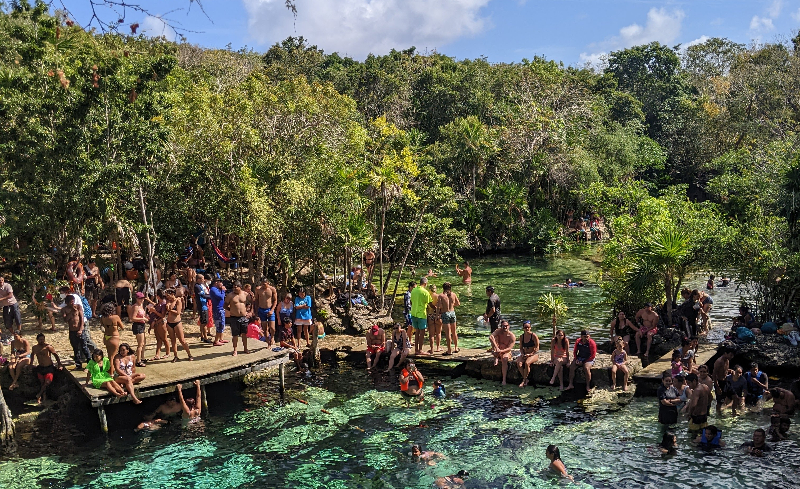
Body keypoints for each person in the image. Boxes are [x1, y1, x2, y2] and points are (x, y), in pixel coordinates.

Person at [30, 333, 64, 404]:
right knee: (42, 383)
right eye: (40, 339)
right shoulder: (35, 348)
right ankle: (44, 398)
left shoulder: (48, 347)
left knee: (47, 382)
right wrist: (31, 364)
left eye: (43, 339)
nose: (42, 341)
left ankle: (39, 394)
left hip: (48, 367)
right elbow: (32, 355)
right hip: (40, 367)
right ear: (37, 340)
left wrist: (59, 364)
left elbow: (56, 355)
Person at [63, 294, 91, 370]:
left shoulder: (78, 307)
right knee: (75, 348)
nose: (72, 303)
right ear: (67, 302)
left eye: (73, 301)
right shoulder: (65, 309)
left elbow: (81, 318)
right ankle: (78, 364)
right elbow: (65, 320)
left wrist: (81, 329)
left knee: (84, 347)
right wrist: (71, 312)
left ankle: (90, 363)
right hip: (72, 331)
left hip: (79, 330)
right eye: (71, 302)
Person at [165, 289, 193, 362]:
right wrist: (169, 307)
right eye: (166, 296)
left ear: (172, 294)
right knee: (173, 340)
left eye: (168, 295)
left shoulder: (178, 301)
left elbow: (178, 312)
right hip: (169, 322)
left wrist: (170, 309)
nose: (167, 297)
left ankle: (189, 354)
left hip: (177, 322)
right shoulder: (168, 301)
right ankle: (175, 356)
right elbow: (168, 308)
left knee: (182, 340)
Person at [225, 281, 251, 356]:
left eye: (236, 287)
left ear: (240, 287)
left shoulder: (245, 294)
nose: (235, 288)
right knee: (235, 335)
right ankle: (235, 350)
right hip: (234, 317)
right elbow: (225, 305)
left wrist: (250, 312)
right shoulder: (230, 295)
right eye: (234, 287)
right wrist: (231, 310)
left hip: (243, 317)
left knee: (244, 334)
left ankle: (245, 348)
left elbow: (253, 302)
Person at [410, 278, 433, 355]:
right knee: (422, 333)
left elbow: (411, 302)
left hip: (413, 313)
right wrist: (437, 309)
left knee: (417, 332)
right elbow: (430, 304)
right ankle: (420, 350)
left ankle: (416, 349)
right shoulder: (425, 292)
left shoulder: (414, 290)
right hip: (421, 314)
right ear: (425, 283)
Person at [489, 320, 516, 385]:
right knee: (494, 338)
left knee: (504, 359)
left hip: (505, 351)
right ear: (501, 326)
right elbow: (491, 337)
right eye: (503, 326)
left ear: (509, 326)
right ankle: (496, 357)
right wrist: (496, 348)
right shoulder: (498, 331)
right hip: (497, 349)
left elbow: (509, 348)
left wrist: (500, 351)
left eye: (506, 326)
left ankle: (504, 380)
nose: (505, 327)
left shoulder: (512, 336)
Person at [254, 277, 277, 346]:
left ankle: (272, 337)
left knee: (272, 328)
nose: (263, 285)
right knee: (264, 328)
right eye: (262, 284)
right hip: (261, 310)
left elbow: (275, 300)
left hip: (270, 309)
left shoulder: (272, 289)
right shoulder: (258, 289)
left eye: (264, 284)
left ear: (268, 283)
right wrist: (256, 311)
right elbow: (256, 300)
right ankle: (268, 342)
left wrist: (272, 310)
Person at [516, 320, 539, 388]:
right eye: (525, 327)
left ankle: (524, 380)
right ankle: (526, 379)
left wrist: (531, 354)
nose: (527, 329)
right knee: (519, 363)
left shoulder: (533, 336)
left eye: (528, 327)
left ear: (530, 327)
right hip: (525, 353)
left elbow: (537, 347)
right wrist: (522, 353)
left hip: (533, 354)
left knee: (527, 363)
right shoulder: (522, 337)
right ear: (523, 328)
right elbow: (521, 347)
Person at [439, 282, 461, 355]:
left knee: (448, 333)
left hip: (445, 313)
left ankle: (449, 350)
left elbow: (439, 306)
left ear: (443, 288)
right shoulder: (453, 294)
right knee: (454, 332)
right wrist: (452, 304)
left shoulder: (441, 296)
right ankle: (456, 347)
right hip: (452, 313)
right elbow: (458, 304)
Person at [147, 290, 169, 360]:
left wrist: (154, 311)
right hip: (156, 323)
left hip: (161, 322)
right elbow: (155, 305)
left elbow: (162, 315)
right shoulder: (159, 303)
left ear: (158, 296)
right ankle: (157, 354)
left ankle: (168, 353)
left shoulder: (163, 303)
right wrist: (149, 300)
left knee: (164, 339)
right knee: (158, 339)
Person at [130, 292, 148, 367]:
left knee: (144, 342)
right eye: (140, 298)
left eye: (142, 298)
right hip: (138, 325)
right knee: (140, 344)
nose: (142, 300)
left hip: (142, 325)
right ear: (137, 299)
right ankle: (138, 361)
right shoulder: (136, 307)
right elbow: (132, 318)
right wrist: (142, 318)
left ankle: (142, 357)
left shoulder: (141, 305)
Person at [194, 274, 213, 344]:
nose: (203, 280)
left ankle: (202, 336)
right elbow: (203, 295)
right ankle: (205, 338)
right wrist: (212, 296)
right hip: (202, 306)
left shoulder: (200, 286)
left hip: (204, 305)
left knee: (202, 322)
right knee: (204, 323)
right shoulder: (197, 286)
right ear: (198, 279)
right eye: (202, 278)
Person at [210, 278, 227, 346]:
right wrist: (223, 291)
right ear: (216, 282)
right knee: (219, 325)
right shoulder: (213, 289)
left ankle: (221, 339)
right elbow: (220, 297)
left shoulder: (217, 289)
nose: (222, 284)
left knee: (222, 324)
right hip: (218, 310)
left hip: (221, 309)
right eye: (221, 283)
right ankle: (216, 341)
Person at [426, 284, 443, 354]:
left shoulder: (428, 296)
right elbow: (441, 306)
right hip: (438, 315)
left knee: (431, 334)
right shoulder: (438, 296)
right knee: (438, 333)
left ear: (429, 289)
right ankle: (438, 348)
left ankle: (432, 349)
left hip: (430, 315)